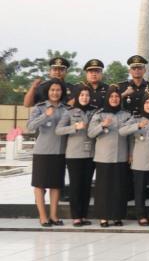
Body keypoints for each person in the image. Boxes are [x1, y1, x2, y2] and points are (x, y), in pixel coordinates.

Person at [120, 92, 149, 226]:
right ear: (142, 105)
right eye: (147, 103)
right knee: (139, 189)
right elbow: (122, 132)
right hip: (139, 158)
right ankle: (141, 215)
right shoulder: (135, 119)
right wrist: (138, 126)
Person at [88, 88, 131, 227]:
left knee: (119, 188)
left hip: (121, 156)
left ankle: (117, 216)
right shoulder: (99, 114)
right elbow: (90, 133)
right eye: (111, 96)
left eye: (117, 96)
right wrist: (102, 125)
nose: (114, 99)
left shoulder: (126, 114)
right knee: (103, 189)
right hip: (104, 157)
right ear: (107, 98)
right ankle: (104, 217)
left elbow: (130, 137)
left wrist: (130, 153)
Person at [27, 81, 67, 227]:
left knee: (56, 185)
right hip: (42, 152)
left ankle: (54, 215)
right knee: (40, 185)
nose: (55, 93)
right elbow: (30, 126)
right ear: (47, 92)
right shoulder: (39, 108)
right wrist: (45, 115)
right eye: (52, 90)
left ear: (62, 92)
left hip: (59, 151)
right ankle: (43, 216)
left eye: (58, 90)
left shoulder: (65, 109)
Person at [57, 86, 95, 226]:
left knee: (86, 185)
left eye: (87, 95)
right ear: (78, 97)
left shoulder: (94, 112)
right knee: (76, 185)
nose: (85, 97)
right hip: (75, 154)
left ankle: (84, 215)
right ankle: (76, 216)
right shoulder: (70, 112)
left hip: (91, 153)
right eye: (82, 95)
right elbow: (59, 130)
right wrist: (75, 127)